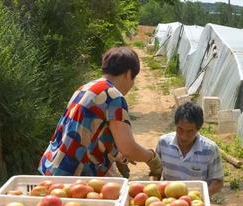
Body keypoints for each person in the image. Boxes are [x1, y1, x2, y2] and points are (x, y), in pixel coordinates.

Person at [38, 46, 162, 178]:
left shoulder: (85, 89)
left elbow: (92, 134)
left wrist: (118, 156)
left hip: (52, 168)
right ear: (128, 73)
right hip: (73, 178)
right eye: (133, 78)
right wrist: (151, 157)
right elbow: (128, 148)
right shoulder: (114, 96)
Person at [155, 102, 224, 195]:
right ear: (175, 125)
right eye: (180, 129)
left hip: (194, 204)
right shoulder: (163, 143)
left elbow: (217, 181)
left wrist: (201, 196)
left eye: (190, 131)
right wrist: (154, 188)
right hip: (168, 202)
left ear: (198, 129)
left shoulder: (210, 150)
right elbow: (156, 171)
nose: (184, 136)